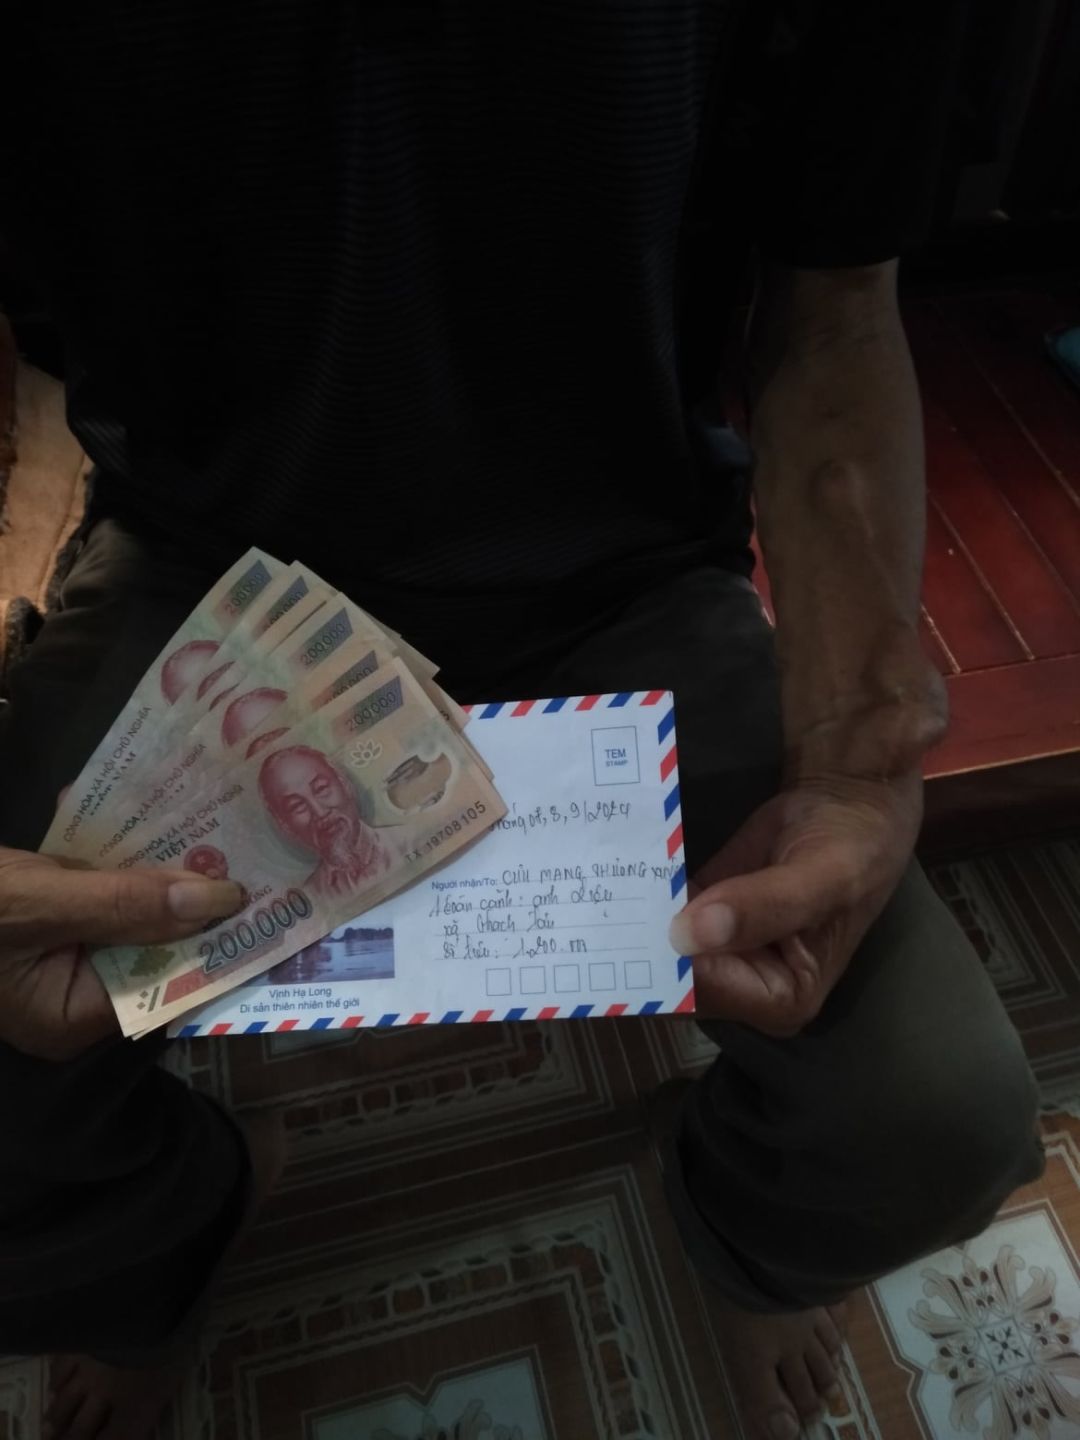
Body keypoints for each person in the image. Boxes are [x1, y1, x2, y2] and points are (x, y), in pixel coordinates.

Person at [0, 4, 1044, 1440]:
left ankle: (741, 1232)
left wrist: (863, 759)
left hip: (626, 578)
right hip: (206, 574)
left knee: (932, 1121)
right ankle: (160, 1233)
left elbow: (839, 305)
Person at [257, 744, 392, 897]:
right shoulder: (313, 896)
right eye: (297, 806)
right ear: (285, 825)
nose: (319, 812)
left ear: (345, 784)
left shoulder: (409, 840)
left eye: (321, 788)